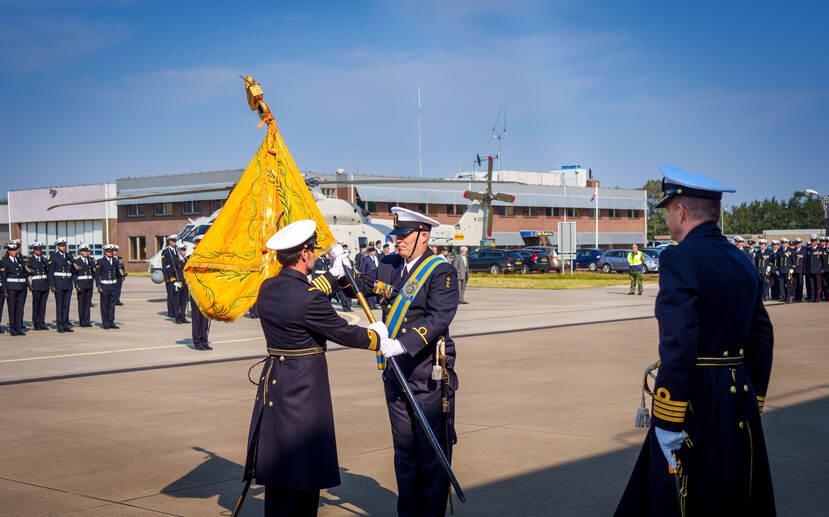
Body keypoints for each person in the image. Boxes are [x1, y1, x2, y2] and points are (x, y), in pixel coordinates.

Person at [615, 165, 774, 516]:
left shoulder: (679, 258)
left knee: (678, 500)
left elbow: (679, 344)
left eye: (669, 209)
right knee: (736, 497)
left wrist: (669, 421)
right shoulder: (742, 259)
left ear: (681, 211)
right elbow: (762, 339)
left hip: (695, 403)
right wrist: (752, 400)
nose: (669, 218)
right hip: (739, 403)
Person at [242, 219, 388, 517]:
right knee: (303, 473)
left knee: (279, 471)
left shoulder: (269, 288)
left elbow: (304, 297)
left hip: (275, 385)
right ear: (304, 254)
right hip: (303, 391)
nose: (316, 256)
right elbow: (343, 331)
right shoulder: (308, 299)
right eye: (313, 252)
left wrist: (334, 277)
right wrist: (377, 338)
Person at [330, 206, 459, 517]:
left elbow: (439, 316)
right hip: (395, 370)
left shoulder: (440, 271)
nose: (397, 241)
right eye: (397, 235)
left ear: (423, 237)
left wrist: (403, 344)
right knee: (404, 452)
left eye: (404, 236)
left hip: (426, 370)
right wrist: (343, 272)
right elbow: (363, 287)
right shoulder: (389, 264)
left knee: (430, 452)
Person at [187, 235, 211, 350]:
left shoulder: (207, 257)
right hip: (196, 291)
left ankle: (204, 340)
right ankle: (197, 342)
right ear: (196, 244)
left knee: (205, 318)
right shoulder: (191, 257)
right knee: (197, 317)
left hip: (206, 291)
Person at [1, 241, 28, 336]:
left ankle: (18, 328)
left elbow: (25, 274)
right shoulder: (5, 262)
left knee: (19, 309)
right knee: (12, 309)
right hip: (11, 288)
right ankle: (13, 329)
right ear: (8, 251)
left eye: (15, 250)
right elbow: (3, 277)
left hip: (21, 288)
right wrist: (4, 290)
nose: (14, 252)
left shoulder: (20, 261)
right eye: (12, 250)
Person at [49, 238, 75, 332]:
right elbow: (50, 272)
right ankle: (59, 325)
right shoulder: (54, 256)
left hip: (68, 284)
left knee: (66, 305)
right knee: (59, 305)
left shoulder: (68, 256)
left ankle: (65, 324)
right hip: (58, 284)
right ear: (58, 247)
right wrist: (52, 285)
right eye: (61, 246)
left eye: (64, 246)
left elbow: (73, 269)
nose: (63, 247)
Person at [95, 244, 120, 329]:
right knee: (105, 306)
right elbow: (97, 275)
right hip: (105, 285)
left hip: (113, 285)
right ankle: (105, 323)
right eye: (109, 251)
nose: (110, 253)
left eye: (111, 251)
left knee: (112, 306)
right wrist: (98, 286)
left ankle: (111, 322)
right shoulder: (100, 261)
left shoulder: (115, 261)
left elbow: (118, 272)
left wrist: (122, 275)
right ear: (105, 252)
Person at [26, 242, 50, 330]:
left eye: (40, 249)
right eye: (37, 249)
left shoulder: (44, 259)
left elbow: (48, 272)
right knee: (36, 305)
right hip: (36, 284)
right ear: (33, 250)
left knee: (43, 305)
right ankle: (36, 323)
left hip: (45, 284)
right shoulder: (30, 260)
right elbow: (25, 274)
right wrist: (28, 284)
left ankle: (42, 323)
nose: (38, 251)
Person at [73, 244, 95, 327]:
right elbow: (74, 274)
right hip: (81, 285)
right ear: (80, 252)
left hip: (89, 284)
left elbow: (94, 272)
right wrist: (76, 285)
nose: (85, 252)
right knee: (81, 304)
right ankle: (82, 321)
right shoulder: (77, 262)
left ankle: (87, 321)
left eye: (87, 251)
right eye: (83, 251)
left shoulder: (91, 261)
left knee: (88, 303)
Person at [161, 234, 181, 319]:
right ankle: (170, 312)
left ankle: (176, 311)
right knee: (170, 295)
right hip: (169, 276)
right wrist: (166, 277)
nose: (174, 242)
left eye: (175, 241)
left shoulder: (177, 251)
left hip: (176, 276)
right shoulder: (165, 251)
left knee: (177, 295)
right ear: (169, 241)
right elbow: (164, 265)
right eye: (173, 241)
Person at [804, 234, 823, 302]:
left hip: (818, 270)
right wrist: (806, 270)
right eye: (811, 241)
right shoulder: (809, 250)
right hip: (810, 270)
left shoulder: (820, 249)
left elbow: (823, 260)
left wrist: (822, 269)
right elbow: (807, 261)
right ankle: (812, 297)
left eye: (813, 241)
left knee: (817, 285)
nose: (812, 242)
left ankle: (817, 297)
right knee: (812, 286)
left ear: (816, 241)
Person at [173, 244, 189, 324]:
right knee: (177, 301)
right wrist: (175, 281)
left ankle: (183, 317)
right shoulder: (175, 260)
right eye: (182, 250)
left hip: (186, 283)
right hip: (178, 282)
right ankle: (177, 318)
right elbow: (173, 272)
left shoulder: (186, 260)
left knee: (184, 301)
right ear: (178, 251)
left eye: (185, 250)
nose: (184, 252)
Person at [775, 238, 793, 303]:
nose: (783, 244)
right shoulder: (779, 251)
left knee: (788, 284)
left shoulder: (790, 250)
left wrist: (792, 268)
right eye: (782, 243)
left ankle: (788, 297)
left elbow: (793, 259)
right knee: (781, 284)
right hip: (781, 270)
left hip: (788, 270)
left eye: (784, 243)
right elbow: (777, 261)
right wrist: (777, 269)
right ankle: (783, 296)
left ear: (787, 244)